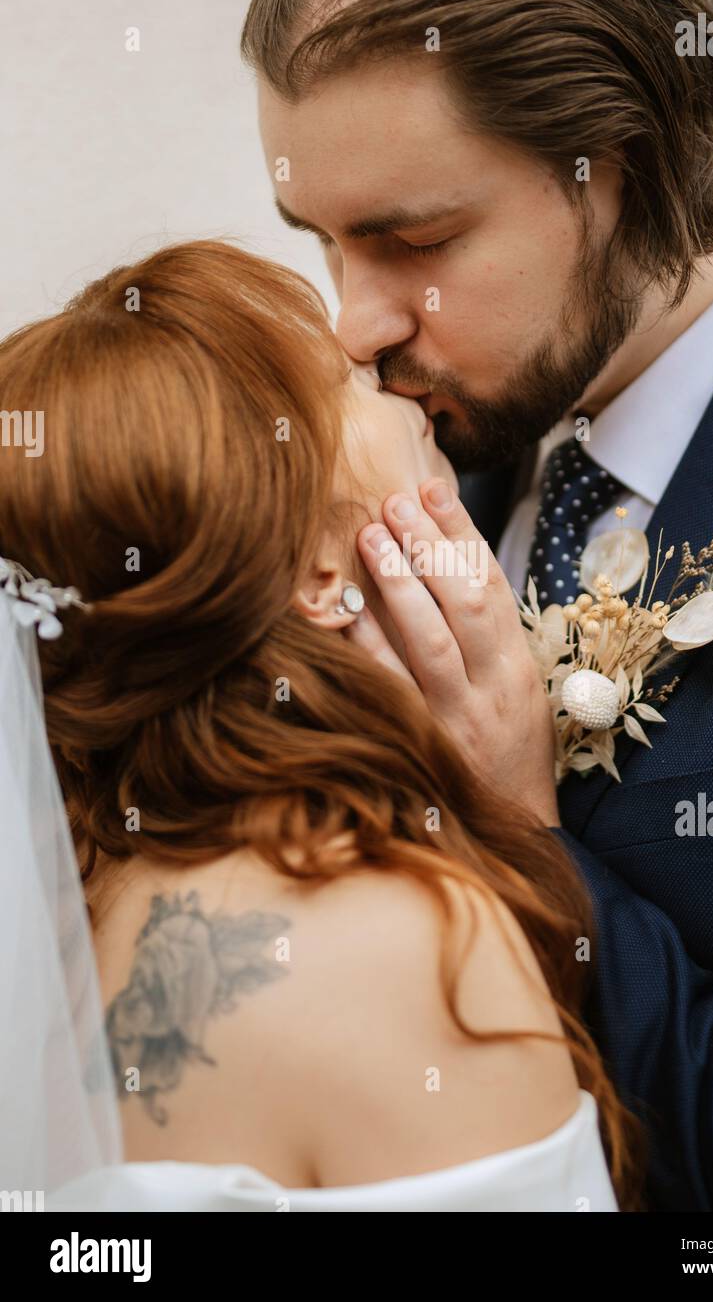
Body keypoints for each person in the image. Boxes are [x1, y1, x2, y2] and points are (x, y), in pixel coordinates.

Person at [241, 0, 713, 1208]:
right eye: (319, 240)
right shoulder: (441, 443)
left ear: (614, 170)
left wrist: (524, 840)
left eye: (411, 242)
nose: (352, 327)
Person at [0, 239, 642, 1212]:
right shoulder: (414, 942)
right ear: (316, 575)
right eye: (348, 381)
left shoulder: (47, 921)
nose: (381, 363)